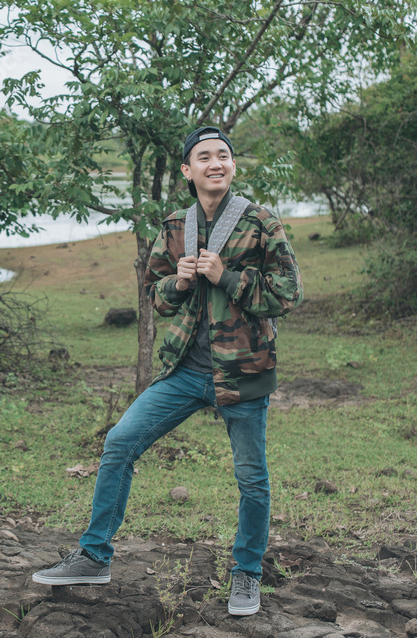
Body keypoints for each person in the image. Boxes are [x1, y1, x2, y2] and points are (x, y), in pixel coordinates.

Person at [31, 126, 304, 616]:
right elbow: (156, 296)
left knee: (251, 478)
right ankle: (94, 556)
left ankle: (246, 574)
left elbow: (288, 294)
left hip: (242, 372)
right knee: (119, 443)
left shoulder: (261, 222)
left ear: (233, 166)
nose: (215, 163)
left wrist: (230, 278)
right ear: (188, 170)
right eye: (204, 157)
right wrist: (177, 283)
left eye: (224, 155)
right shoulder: (176, 226)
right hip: (183, 370)